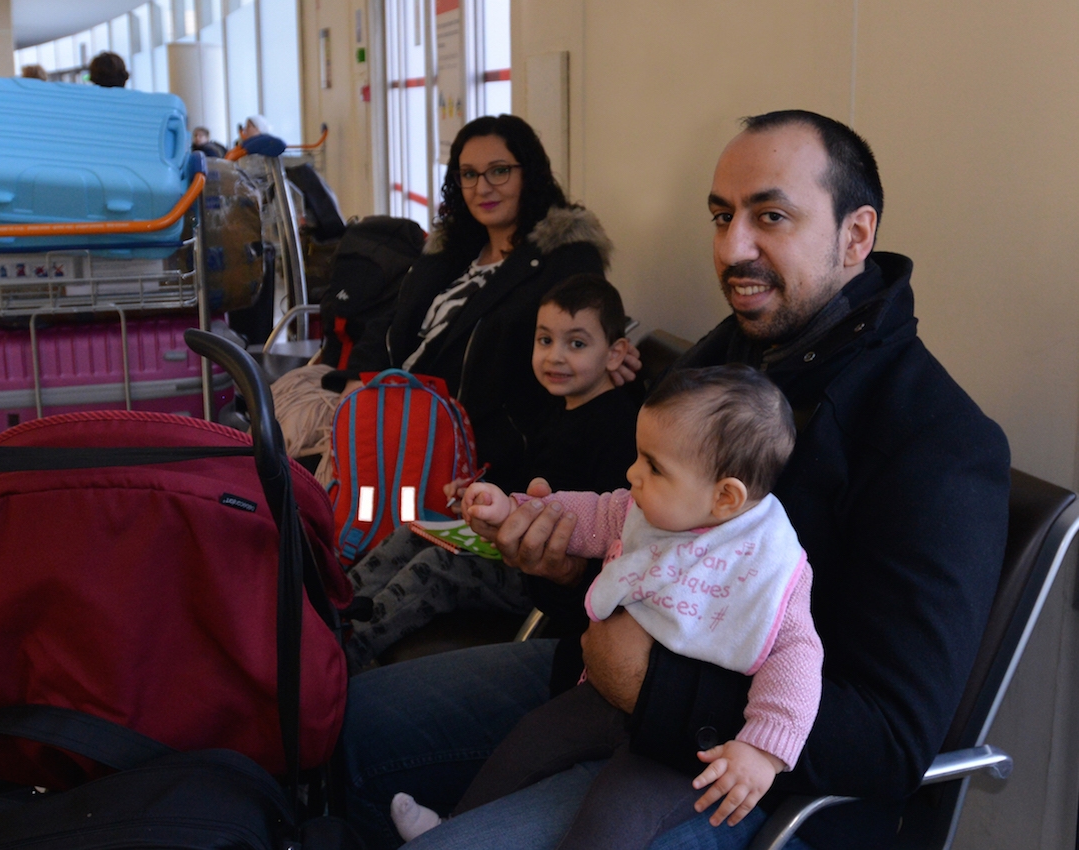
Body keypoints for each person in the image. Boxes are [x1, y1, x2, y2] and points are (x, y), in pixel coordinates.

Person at [340, 109, 1010, 850]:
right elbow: (632, 536)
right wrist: (559, 564)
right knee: (347, 723)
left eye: (771, 216)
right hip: (597, 689)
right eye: (722, 215)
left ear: (855, 236)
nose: (733, 248)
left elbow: (887, 739)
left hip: (752, 781)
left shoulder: (935, 443)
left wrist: (655, 689)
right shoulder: (721, 362)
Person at [392, 364, 821, 848]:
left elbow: (799, 656)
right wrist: (514, 511)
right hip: (601, 694)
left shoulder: (770, 565)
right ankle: (454, 821)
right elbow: (590, 514)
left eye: (653, 466)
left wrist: (763, 751)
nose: (632, 473)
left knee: (614, 817)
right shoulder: (647, 510)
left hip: (680, 748)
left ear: (725, 496)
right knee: (531, 740)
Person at [275, 114, 631, 499]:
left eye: (499, 171)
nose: (483, 187)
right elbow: (395, 320)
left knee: (304, 476)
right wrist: (357, 380)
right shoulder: (454, 248)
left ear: (530, 173)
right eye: (469, 174)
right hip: (390, 396)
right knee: (272, 420)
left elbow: (580, 341)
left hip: (457, 433)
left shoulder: (563, 259)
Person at [344, 273, 639, 673]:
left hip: (540, 572)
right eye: (545, 340)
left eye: (577, 344)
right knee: (411, 531)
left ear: (615, 354)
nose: (554, 357)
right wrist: (484, 493)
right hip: (510, 539)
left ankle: (343, 652)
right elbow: (529, 479)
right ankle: (330, 610)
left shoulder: (618, 426)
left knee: (437, 566)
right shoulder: (557, 406)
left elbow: (611, 528)